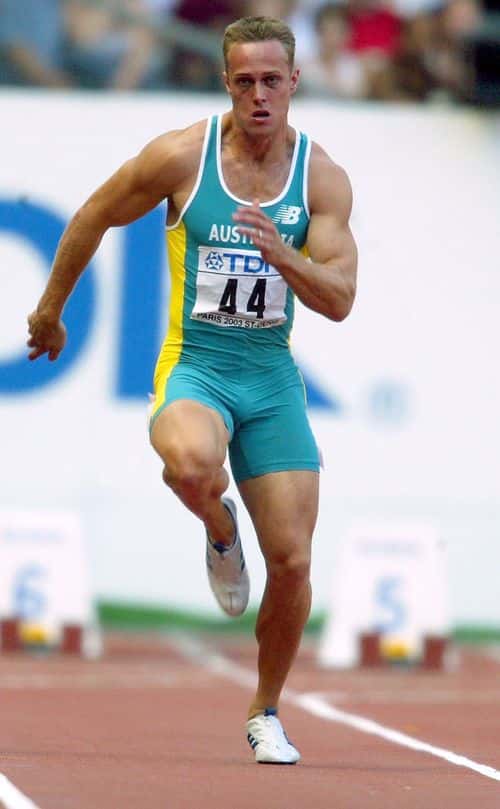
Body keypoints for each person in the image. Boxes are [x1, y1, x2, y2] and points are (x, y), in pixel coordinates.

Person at [26, 15, 358, 764]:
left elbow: (340, 299)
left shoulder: (322, 179)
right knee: (191, 465)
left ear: (294, 82)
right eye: (244, 82)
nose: (259, 96)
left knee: (294, 563)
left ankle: (265, 709)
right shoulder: (183, 156)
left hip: (270, 379)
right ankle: (219, 528)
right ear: (225, 84)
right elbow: (93, 214)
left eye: (271, 81)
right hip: (197, 364)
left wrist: (284, 255)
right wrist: (50, 311)